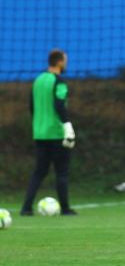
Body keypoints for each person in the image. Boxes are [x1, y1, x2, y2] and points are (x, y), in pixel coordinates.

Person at [21, 49, 77, 216]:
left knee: (39, 172)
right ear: (59, 62)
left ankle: (26, 208)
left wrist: (38, 125)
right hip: (56, 133)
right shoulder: (59, 81)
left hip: (39, 133)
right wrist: (68, 126)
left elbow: (32, 106)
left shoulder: (38, 80)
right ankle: (65, 208)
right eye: (65, 60)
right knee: (62, 171)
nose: (66, 63)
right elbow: (59, 105)